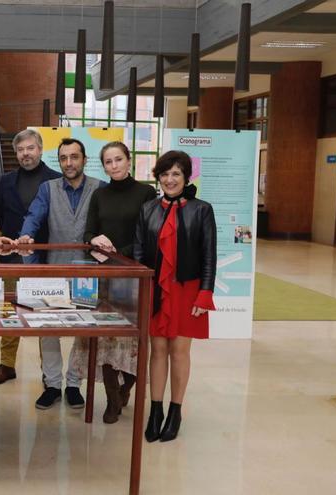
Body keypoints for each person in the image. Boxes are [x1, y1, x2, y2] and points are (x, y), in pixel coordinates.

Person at [0, 138, 103, 410]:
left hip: (88, 272)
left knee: (83, 330)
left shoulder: (100, 189)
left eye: (74, 157)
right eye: (64, 158)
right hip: (52, 268)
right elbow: (34, 215)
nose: (69, 163)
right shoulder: (48, 188)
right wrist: (26, 235)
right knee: (48, 329)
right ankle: (53, 384)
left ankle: (74, 383)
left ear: (84, 160)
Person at [134, 150, 217, 443]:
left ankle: (175, 410)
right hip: (156, 289)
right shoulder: (148, 209)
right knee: (157, 350)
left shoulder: (202, 209)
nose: (170, 179)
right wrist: (140, 290)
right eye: (165, 174)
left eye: (176, 174)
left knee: (179, 351)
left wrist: (205, 294)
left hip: (187, 289)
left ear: (186, 177)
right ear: (158, 177)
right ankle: (155, 410)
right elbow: (139, 253)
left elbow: (209, 256)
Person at [77, 141, 157, 424]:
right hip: (105, 276)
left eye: (118, 159)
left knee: (134, 340)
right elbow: (88, 230)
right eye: (108, 162)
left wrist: (118, 252)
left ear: (129, 160)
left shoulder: (146, 193)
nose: (114, 166)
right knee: (106, 338)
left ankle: (126, 389)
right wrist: (93, 240)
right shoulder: (100, 194)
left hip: (135, 276)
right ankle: (112, 400)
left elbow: (149, 236)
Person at [0, 129, 61, 386]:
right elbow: (0, 214)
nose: (25, 153)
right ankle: (7, 364)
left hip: (44, 258)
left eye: (30, 148)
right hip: (10, 258)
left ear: (41, 149)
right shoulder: (5, 181)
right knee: (9, 311)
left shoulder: (55, 180)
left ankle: (48, 371)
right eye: (20, 150)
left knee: (45, 316)